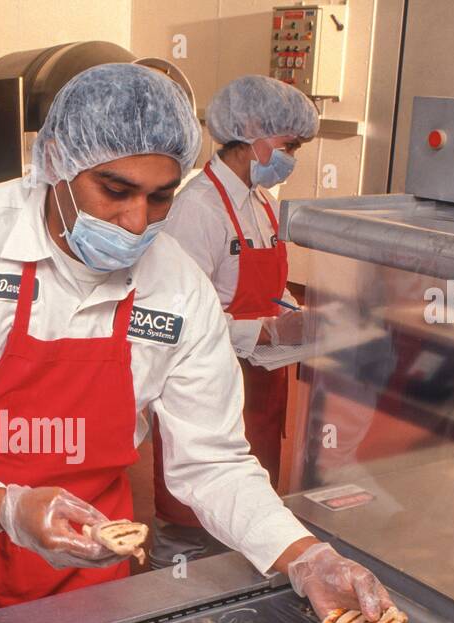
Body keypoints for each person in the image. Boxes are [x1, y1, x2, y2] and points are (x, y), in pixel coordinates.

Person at [0, 63, 389, 623]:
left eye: (161, 198)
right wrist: (7, 507)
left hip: (95, 561)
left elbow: (212, 462)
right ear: (57, 161)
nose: (136, 222)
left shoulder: (177, 286)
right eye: (115, 190)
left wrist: (303, 556)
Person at [153, 75, 319, 567]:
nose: (293, 156)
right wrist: (264, 331)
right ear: (250, 133)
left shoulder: (262, 205)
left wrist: (295, 316)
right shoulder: (197, 208)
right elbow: (177, 320)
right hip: (205, 381)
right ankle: (170, 592)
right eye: (289, 145)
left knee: (247, 511)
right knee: (192, 516)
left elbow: (272, 288)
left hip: (261, 381)